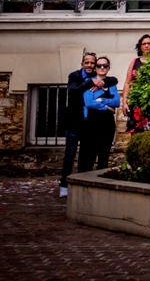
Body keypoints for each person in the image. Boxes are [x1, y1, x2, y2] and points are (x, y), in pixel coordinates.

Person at [60, 52, 100, 195]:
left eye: (92, 63)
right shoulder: (74, 76)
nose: (90, 65)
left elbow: (112, 80)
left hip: (89, 122)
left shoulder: (98, 77)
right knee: (70, 153)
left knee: (86, 155)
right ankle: (64, 184)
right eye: (87, 62)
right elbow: (74, 90)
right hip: (73, 121)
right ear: (82, 64)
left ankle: (82, 185)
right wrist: (89, 82)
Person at [78, 55, 120, 173]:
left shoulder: (111, 84)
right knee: (88, 158)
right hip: (91, 123)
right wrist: (107, 107)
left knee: (104, 157)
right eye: (99, 65)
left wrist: (102, 101)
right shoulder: (89, 82)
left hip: (107, 124)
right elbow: (89, 102)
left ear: (108, 68)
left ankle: (101, 186)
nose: (102, 67)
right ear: (95, 68)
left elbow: (116, 102)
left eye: (105, 66)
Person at [121, 35, 150, 132]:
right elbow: (128, 83)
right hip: (136, 103)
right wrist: (124, 102)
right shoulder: (135, 62)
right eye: (144, 44)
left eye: (149, 43)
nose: (146, 46)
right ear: (140, 46)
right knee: (135, 132)